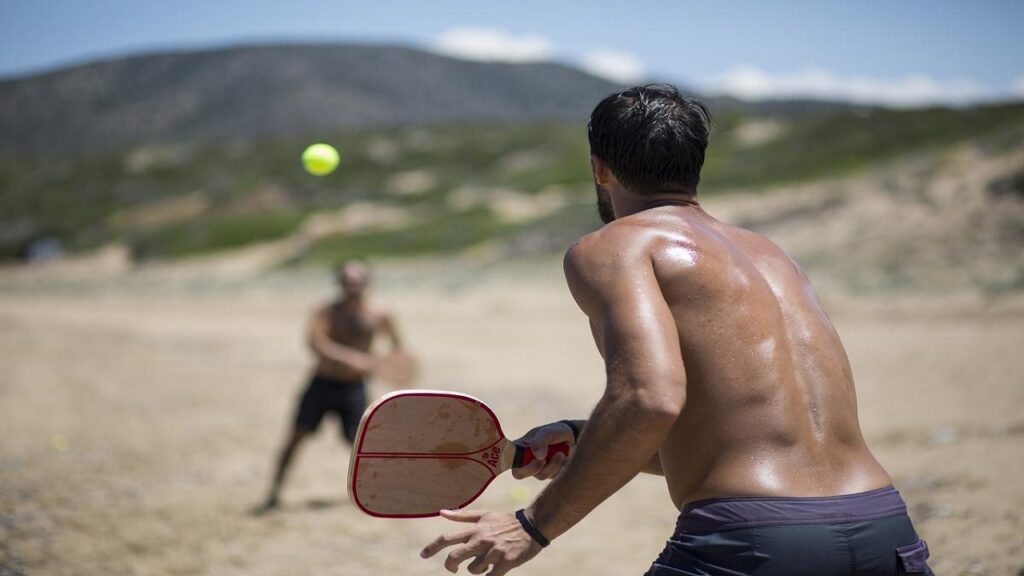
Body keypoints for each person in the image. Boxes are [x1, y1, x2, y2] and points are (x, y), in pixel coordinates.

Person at [420, 85, 933, 576]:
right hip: (883, 528)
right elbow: (746, 437)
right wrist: (584, 437)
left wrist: (531, 525)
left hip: (753, 541)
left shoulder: (617, 245)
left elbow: (649, 400)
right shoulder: (772, 256)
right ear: (695, 167)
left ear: (600, 168)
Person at [258, 259, 406, 512]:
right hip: (322, 384)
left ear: (369, 281)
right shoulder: (326, 311)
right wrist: (353, 358)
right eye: (348, 280)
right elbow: (317, 343)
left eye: (358, 280)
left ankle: (379, 493)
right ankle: (274, 492)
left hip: (354, 388)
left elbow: (397, 348)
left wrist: (390, 366)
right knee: (296, 436)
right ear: (339, 283)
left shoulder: (381, 314)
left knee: (360, 443)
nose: (353, 285)